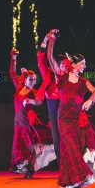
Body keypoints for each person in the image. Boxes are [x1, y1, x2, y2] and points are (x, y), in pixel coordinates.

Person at [47, 29, 95, 188]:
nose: (84, 66)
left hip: (78, 117)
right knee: (69, 145)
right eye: (82, 63)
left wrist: (89, 101)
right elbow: (50, 58)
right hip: (64, 118)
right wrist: (52, 40)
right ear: (74, 64)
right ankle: (77, 178)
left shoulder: (84, 81)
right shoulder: (61, 77)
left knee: (77, 147)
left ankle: (70, 180)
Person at [9, 49, 56, 178]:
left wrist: (31, 100)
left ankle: (30, 170)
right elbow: (12, 73)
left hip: (28, 122)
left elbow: (40, 101)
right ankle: (23, 167)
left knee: (31, 147)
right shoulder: (19, 88)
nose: (33, 81)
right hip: (18, 122)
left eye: (35, 79)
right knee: (21, 148)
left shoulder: (34, 92)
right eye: (31, 79)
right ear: (24, 79)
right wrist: (14, 58)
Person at [37, 34, 68, 165]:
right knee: (57, 136)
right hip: (53, 104)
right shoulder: (49, 74)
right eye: (63, 65)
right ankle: (62, 163)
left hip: (67, 105)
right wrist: (47, 39)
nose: (65, 67)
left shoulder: (69, 76)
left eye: (67, 65)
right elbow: (42, 57)